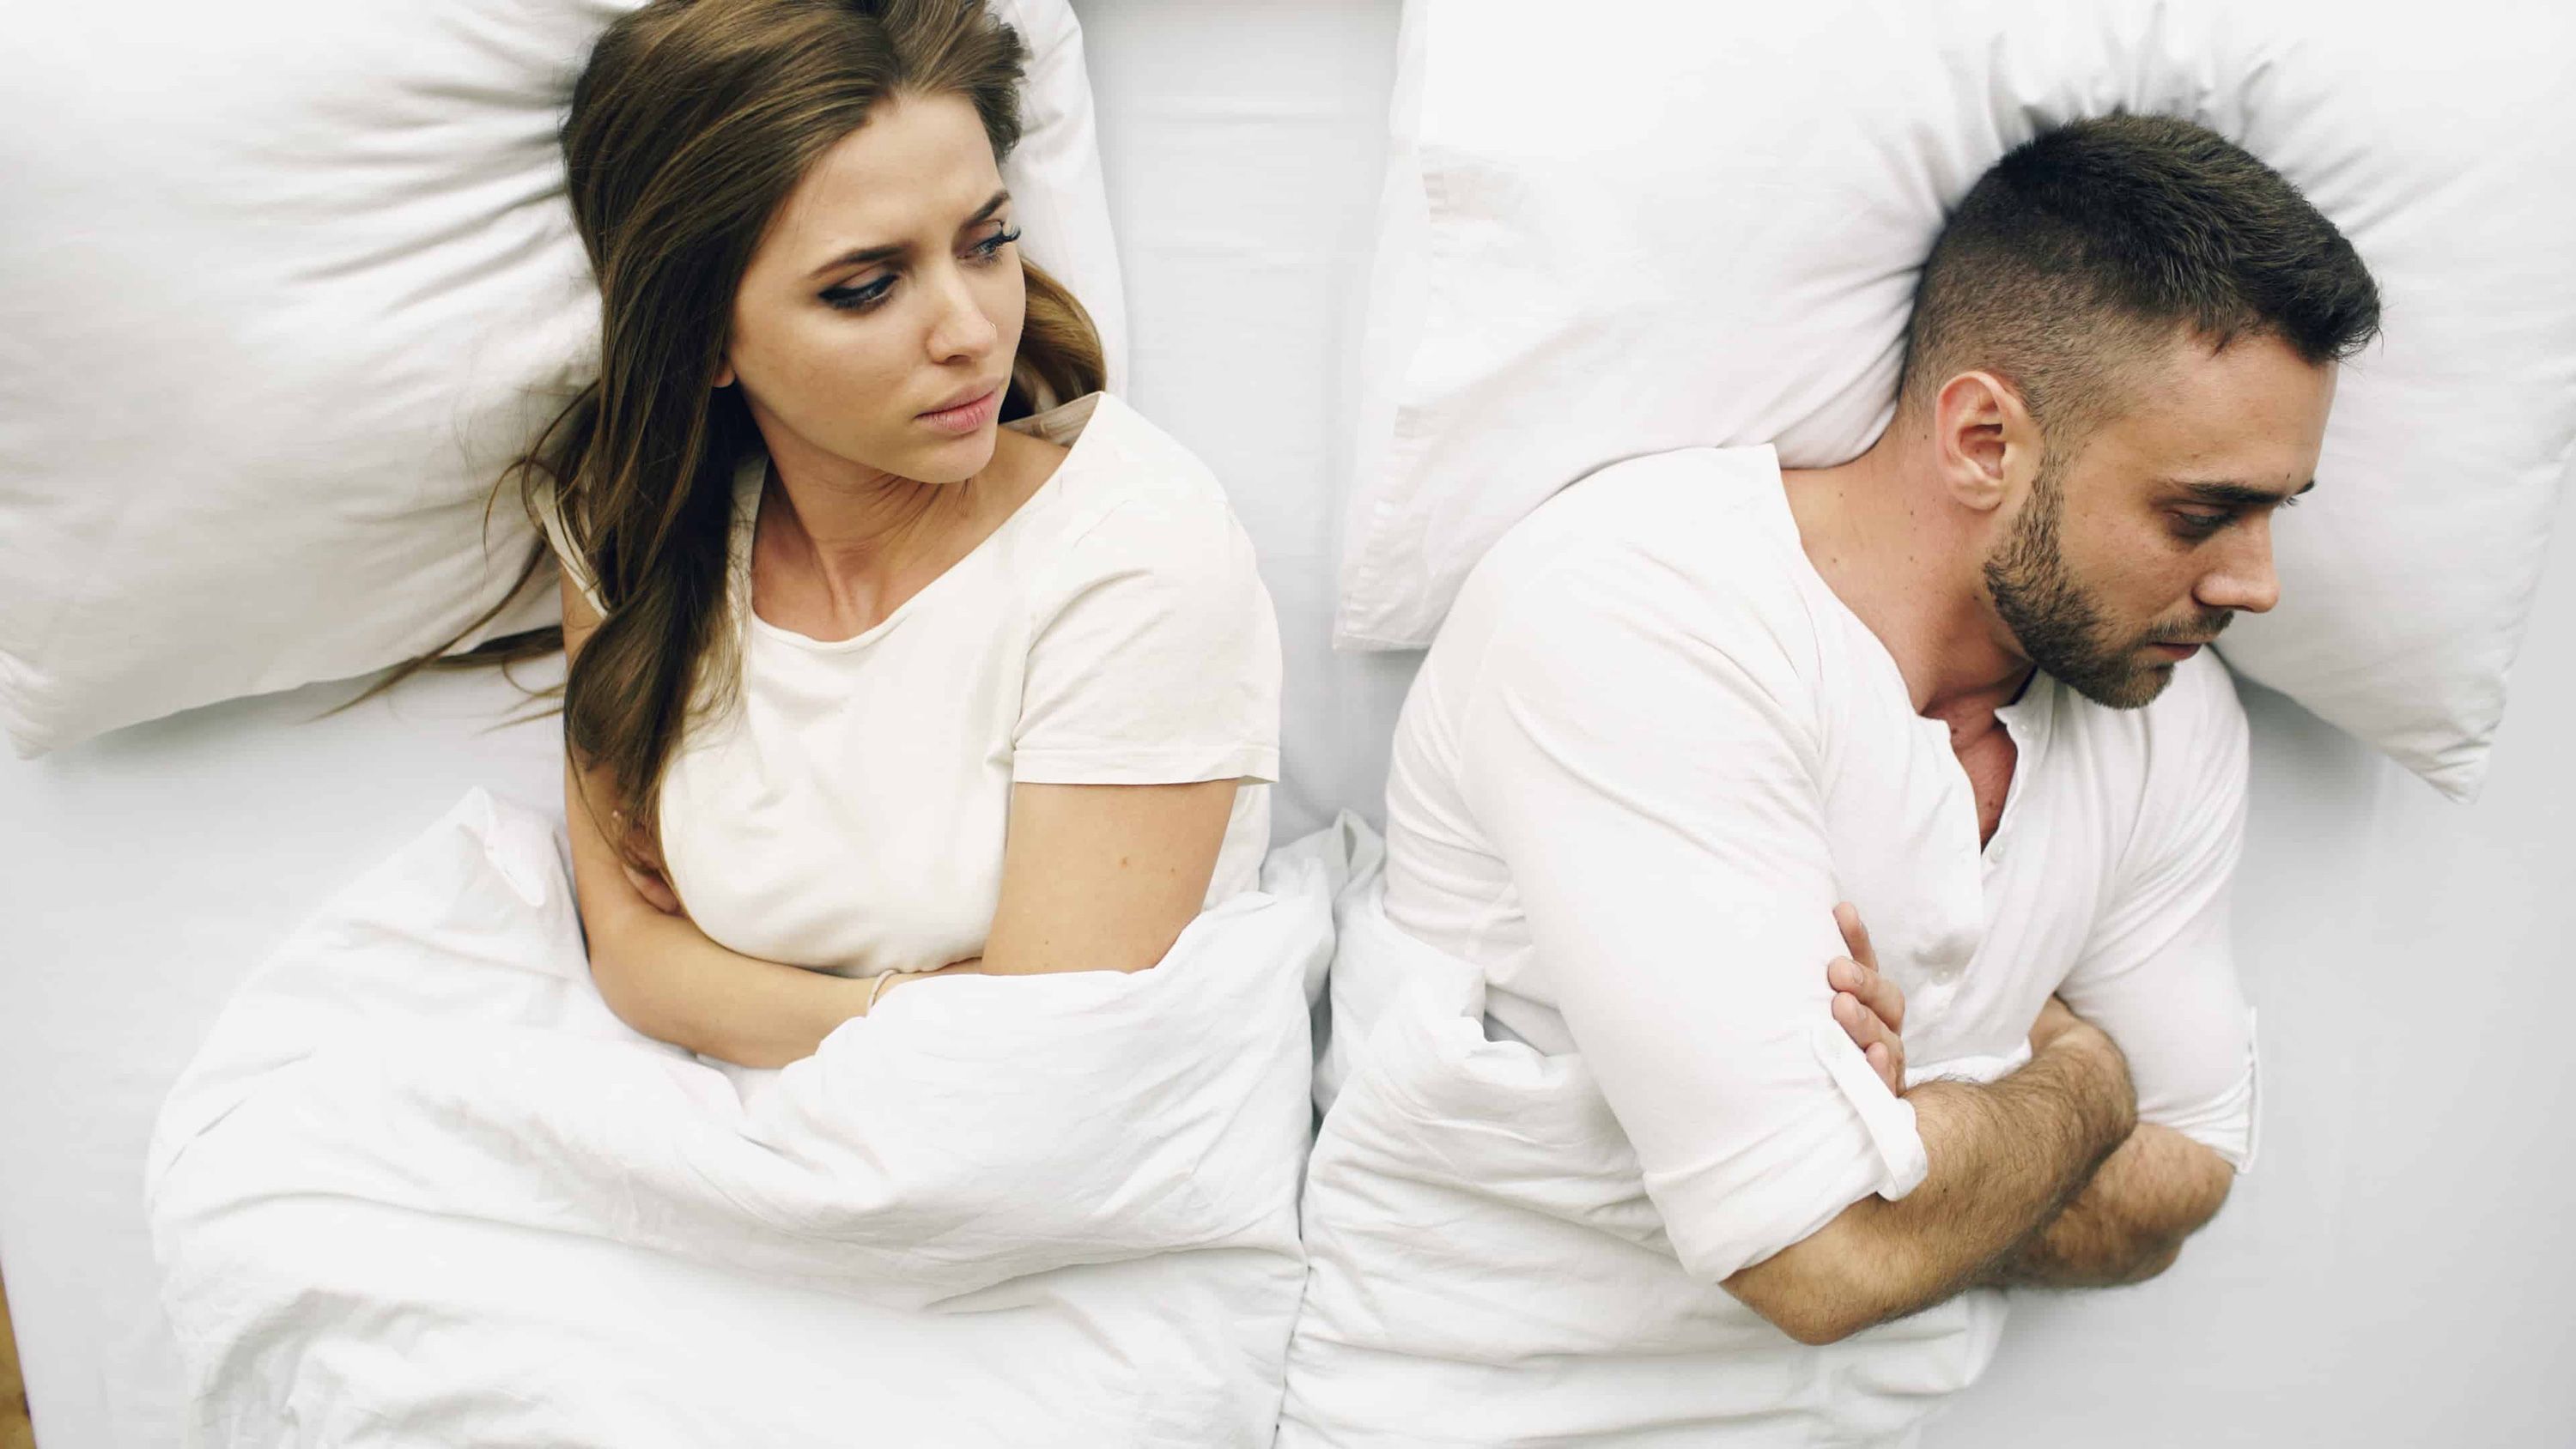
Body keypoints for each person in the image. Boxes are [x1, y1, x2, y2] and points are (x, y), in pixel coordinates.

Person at [1279, 114, 2380, 1446]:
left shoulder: (2164, 709)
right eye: (2200, 515)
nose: (2255, 584)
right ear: (1985, 440)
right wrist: (2085, 1082)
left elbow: (2182, 1180)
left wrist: (1913, 1149)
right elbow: (1819, 1263)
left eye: (2276, 511)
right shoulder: (1641, 618)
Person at [495, 0, 1282, 1068]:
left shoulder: (1137, 559)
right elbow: (632, 960)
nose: (971, 332)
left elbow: (1045, 1058)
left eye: (989, 243)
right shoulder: (635, 539)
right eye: (866, 288)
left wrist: (748, 996)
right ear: (702, 335)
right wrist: (934, 1004)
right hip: (718, 1122)